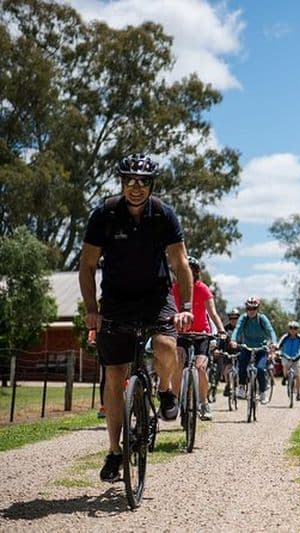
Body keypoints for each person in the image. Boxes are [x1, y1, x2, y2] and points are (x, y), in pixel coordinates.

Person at [79, 153, 194, 483]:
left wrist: (184, 306)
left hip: (156, 297)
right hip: (115, 300)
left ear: (151, 185)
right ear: (121, 182)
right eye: (129, 180)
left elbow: (180, 263)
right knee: (114, 377)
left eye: (143, 182)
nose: (136, 187)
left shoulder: (162, 214)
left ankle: (168, 392)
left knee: (165, 345)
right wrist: (91, 309)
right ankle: (115, 452)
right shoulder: (104, 215)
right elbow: (87, 265)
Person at [171, 256, 226, 421]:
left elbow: (212, 312)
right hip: (181, 333)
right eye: (186, 269)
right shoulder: (175, 288)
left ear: (196, 272)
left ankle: (203, 403)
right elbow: (169, 310)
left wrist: (222, 330)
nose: (189, 272)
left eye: (192, 269)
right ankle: (173, 401)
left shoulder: (202, 289)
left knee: (201, 367)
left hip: (202, 334)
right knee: (178, 362)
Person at [228, 297, 277, 404]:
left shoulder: (262, 318)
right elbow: (237, 329)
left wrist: (273, 342)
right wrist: (233, 340)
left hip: (261, 348)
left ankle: (263, 392)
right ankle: (241, 387)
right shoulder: (243, 318)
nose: (251, 311)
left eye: (253, 308)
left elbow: (270, 331)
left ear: (257, 309)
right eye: (249, 308)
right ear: (246, 309)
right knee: (242, 364)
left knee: (260, 369)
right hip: (247, 347)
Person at [276, 320, 300, 401]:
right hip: (286, 356)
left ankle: (298, 394)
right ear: (288, 329)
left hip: (296, 357)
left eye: (295, 328)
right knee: (285, 366)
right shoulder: (285, 337)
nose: (293, 330)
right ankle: (285, 377)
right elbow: (278, 345)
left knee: (298, 375)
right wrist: (277, 351)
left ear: (297, 329)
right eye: (291, 328)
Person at [221, 309, 240, 397]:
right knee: (226, 371)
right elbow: (220, 341)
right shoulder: (225, 329)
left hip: (241, 352)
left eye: (235, 318)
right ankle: (228, 385)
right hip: (229, 353)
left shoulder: (242, 328)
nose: (233, 320)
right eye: (231, 318)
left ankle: (243, 386)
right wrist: (218, 349)